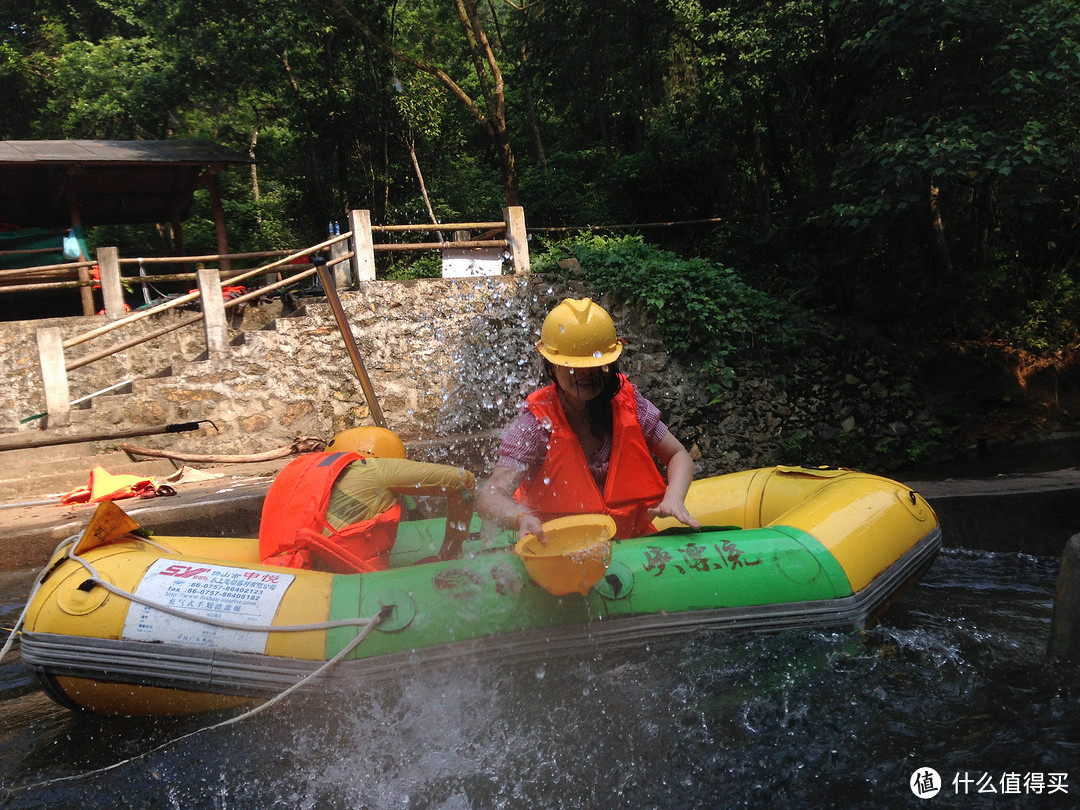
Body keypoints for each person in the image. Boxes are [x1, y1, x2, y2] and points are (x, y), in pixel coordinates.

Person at [478, 297, 701, 542]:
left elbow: (678, 455)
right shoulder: (536, 425)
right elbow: (491, 497)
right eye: (573, 366)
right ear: (552, 367)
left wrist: (674, 497)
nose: (586, 374)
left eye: (597, 365)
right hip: (559, 550)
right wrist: (520, 517)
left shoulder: (630, 404)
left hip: (633, 542)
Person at [260, 426, 475, 571]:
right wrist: (453, 545)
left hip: (279, 566)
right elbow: (463, 480)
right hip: (327, 576)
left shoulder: (306, 470)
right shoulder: (376, 468)